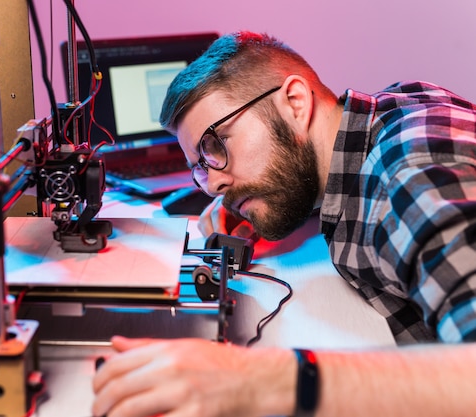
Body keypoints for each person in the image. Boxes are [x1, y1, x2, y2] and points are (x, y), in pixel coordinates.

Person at [91, 31, 476, 417]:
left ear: (295, 102)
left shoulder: (407, 180)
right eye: (200, 167)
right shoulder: (385, 116)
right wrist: (261, 202)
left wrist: (259, 379)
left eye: (218, 145)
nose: (213, 185)